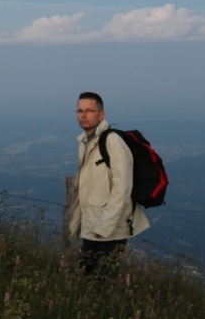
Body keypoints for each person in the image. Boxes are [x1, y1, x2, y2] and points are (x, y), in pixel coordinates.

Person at [66, 91, 149, 278]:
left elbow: (123, 188)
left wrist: (104, 228)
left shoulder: (113, 141)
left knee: (103, 281)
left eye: (89, 110)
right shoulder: (85, 142)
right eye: (80, 111)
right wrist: (77, 224)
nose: (83, 115)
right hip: (91, 226)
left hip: (110, 229)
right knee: (85, 277)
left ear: (101, 115)